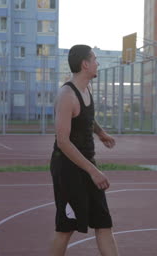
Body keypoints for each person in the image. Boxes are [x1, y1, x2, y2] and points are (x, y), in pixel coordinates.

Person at [50, 45, 120, 256]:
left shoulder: (85, 89)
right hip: (68, 168)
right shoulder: (66, 95)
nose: (98, 63)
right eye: (95, 59)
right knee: (66, 227)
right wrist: (93, 171)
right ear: (85, 64)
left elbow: (85, 117)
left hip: (86, 163)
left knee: (103, 222)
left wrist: (100, 132)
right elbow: (63, 141)